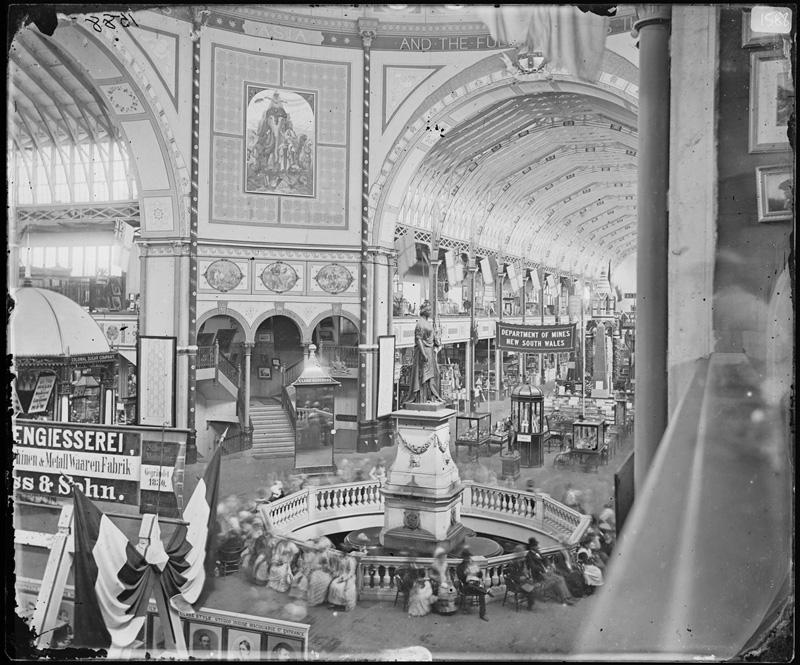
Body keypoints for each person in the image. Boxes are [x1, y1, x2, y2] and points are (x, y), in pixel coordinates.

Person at [408, 301, 441, 403]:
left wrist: (437, 340)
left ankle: (433, 396)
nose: (430, 312)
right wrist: (423, 354)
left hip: (429, 351)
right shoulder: (420, 324)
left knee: (435, 374)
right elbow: (419, 340)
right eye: (429, 310)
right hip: (424, 353)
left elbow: (432, 337)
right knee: (424, 376)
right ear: (424, 311)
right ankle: (423, 398)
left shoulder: (427, 323)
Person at [525, 537, 575, 606]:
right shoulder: (529, 556)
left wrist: (548, 565)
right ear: (532, 547)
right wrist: (543, 569)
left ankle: (568, 597)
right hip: (539, 575)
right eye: (536, 546)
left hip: (545, 572)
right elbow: (533, 567)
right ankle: (564, 600)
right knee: (557, 580)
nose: (538, 547)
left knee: (561, 578)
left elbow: (544, 560)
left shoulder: (538, 552)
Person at [455, 548, 489, 621]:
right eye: (466, 558)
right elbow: (461, 578)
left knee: (481, 593)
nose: (468, 559)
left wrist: (476, 571)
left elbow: (480, 575)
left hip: (475, 585)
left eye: (468, 557)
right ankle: (485, 591)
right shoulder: (460, 567)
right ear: (463, 558)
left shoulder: (473, 565)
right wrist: (467, 573)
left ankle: (482, 614)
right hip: (465, 587)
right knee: (478, 589)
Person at [505, 545, 536, 610]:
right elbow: (511, 576)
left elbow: (522, 571)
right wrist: (520, 578)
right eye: (521, 553)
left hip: (521, 582)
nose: (523, 555)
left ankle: (525, 597)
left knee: (532, 585)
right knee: (531, 590)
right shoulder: (512, 563)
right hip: (515, 584)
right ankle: (530, 606)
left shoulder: (521, 561)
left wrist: (526, 575)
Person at [307, 538, 335, 606]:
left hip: (321, 571)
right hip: (319, 571)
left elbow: (328, 566)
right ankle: (315, 600)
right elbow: (315, 565)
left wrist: (327, 568)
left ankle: (318, 599)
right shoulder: (321, 555)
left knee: (320, 581)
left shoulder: (325, 554)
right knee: (316, 581)